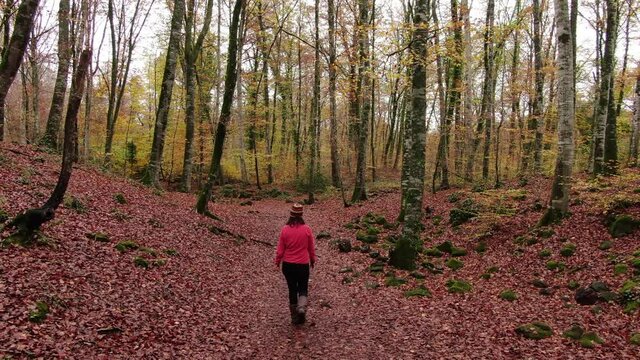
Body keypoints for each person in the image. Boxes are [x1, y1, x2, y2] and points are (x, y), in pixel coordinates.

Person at [274, 203, 317, 325]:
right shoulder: (307, 229)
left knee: (292, 289)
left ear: (291, 215)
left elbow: (280, 249)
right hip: (303, 264)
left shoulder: (285, 229)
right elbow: (311, 248)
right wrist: (312, 260)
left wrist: (277, 261)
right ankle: (302, 308)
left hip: (288, 265)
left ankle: (294, 317)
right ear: (301, 215)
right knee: (303, 288)